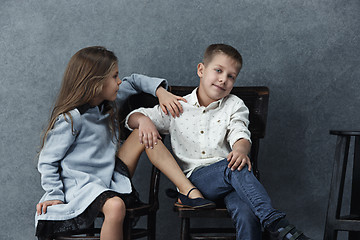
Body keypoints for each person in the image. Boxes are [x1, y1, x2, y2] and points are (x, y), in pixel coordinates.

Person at [126, 44, 312, 240]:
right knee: (232, 169)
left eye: (231, 76)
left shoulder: (234, 105)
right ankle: (277, 224)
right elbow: (131, 119)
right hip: (195, 181)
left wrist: (240, 150)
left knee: (246, 211)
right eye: (218, 70)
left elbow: (240, 132)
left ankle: (272, 224)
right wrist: (144, 120)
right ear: (201, 70)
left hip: (233, 181)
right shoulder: (178, 107)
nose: (224, 79)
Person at [35, 46, 215, 240]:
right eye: (114, 76)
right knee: (115, 206)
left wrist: (159, 93)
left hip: (109, 175)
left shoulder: (111, 100)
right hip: (80, 184)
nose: (119, 81)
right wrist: (54, 194)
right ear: (96, 82)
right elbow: (48, 160)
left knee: (144, 132)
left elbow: (134, 81)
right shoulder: (72, 119)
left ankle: (188, 190)